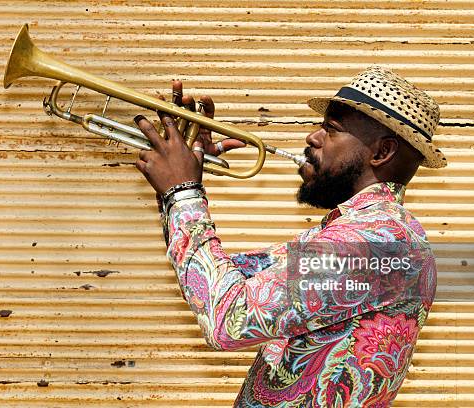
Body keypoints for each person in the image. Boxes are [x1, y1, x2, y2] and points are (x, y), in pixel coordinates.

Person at [133, 66, 447, 407]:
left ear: (382, 152)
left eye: (332, 130)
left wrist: (183, 191)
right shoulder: (365, 232)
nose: (313, 138)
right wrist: (180, 182)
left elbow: (226, 316)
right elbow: (217, 279)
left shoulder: (371, 243)